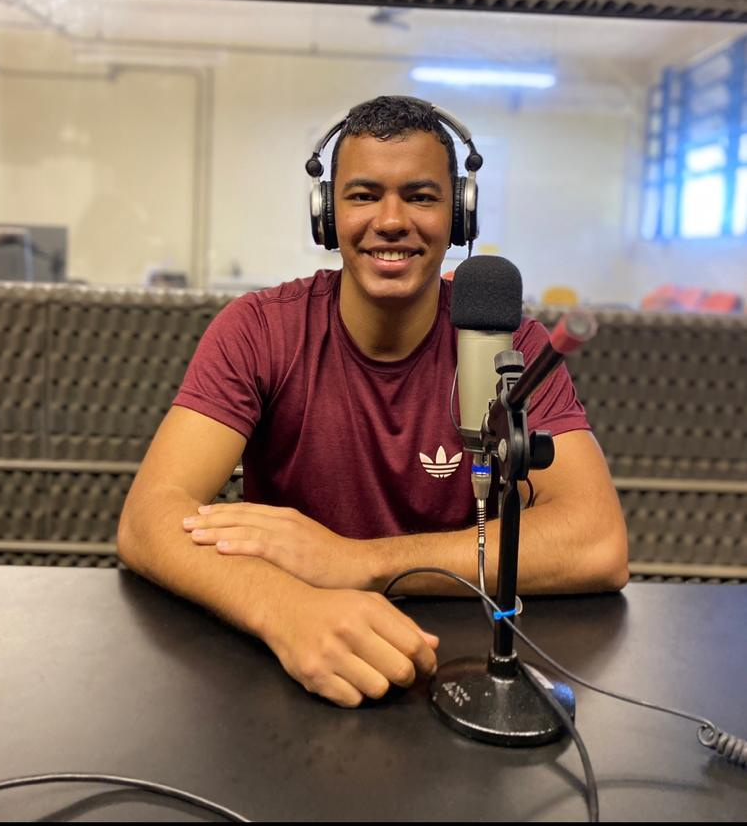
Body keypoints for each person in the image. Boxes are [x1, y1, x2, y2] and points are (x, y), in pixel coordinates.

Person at [117, 95, 628, 709]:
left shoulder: (509, 345)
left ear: (459, 216)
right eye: (363, 195)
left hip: (465, 665)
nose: (390, 221)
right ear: (327, 215)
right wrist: (286, 608)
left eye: (420, 196)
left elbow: (598, 543)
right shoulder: (258, 330)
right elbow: (148, 519)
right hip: (295, 664)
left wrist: (359, 563)